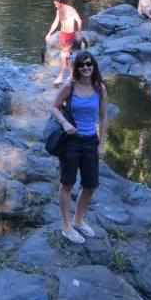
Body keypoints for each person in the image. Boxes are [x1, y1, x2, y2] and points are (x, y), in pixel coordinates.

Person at [49, 51, 108, 245]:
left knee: (91, 185)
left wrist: (102, 144)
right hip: (71, 141)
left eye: (89, 64)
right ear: (77, 67)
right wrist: (65, 123)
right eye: (81, 65)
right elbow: (54, 107)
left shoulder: (100, 88)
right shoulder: (70, 86)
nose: (85, 68)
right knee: (67, 184)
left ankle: (79, 220)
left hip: (91, 141)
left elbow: (103, 117)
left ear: (94, 65)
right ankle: (67, 226)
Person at [45, 0, 83, 87]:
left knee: (63, 55)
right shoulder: (58, 10)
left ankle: (60, 77)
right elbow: (56, 22)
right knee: (67, 56)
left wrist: (78, 33)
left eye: (56, 4)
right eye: (55, 4)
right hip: (63, 35)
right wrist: (49, 33)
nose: (55, 6)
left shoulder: (70, 9)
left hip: (70, 35)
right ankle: (73, 74)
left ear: (61, 2)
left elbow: (79, 21)